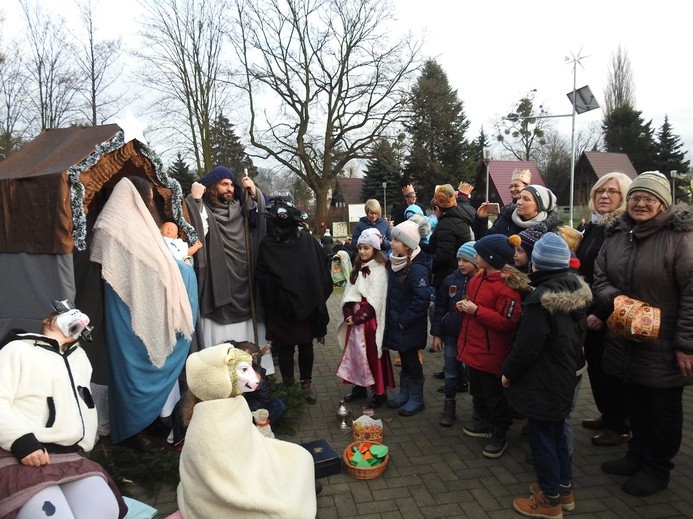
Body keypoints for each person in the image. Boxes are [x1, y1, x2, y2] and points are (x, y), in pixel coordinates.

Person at [593, 171, 693, 497]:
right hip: (626, 337)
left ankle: (657, 467)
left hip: (664, 344)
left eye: (649, 198)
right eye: (636, 196)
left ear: (662, 203)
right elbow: (600, 278)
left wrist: (685, 345)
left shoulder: (680, 239)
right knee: (635, 403)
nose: (641, 202)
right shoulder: (618, 234)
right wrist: (614, 298)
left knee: (662, 409)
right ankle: (636, 454)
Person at [91, 176, 197, 452]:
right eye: (149, 198)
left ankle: (148, 419)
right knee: (131, 367)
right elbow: (133, 268)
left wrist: (177, 269)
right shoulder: (115, 225)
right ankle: (131, 429)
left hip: (142, 304)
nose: (151, 204)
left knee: (149, 363)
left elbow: (155, 261)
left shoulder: (138, 225)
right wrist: (182, 270)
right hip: (126, 307)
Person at [0, 304, 127, 519]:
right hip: (25, 453)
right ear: (47, 322)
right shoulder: (17, 350)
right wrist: (22, 443)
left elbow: (84, 402)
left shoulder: (81, 358)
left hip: (71, 455)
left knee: (105, 509)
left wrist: (85, 442)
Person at [502, 233, 592, 519]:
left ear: (537, 263)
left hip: (543, 379)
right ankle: (563, 490)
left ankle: (549, 500)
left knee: (542, 439)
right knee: (557, 435)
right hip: (566, 375)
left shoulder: (541, 301)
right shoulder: (575, 290)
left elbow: (527, 347)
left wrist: (508, 373)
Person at [177, 344, 316, 518]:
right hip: (231, 486)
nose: (255, 377)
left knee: (301, 457)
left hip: (253, 461)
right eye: (243, 369)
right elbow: (220, 480)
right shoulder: (208, 427)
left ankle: (298, 489)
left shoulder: (236, 401)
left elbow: (249, 443)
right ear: (217, 378)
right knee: (286, 511)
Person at [184, 166, 274, 374]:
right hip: (218, 279)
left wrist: (255, 192)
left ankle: (256, 372)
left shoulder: (243, 207)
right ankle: (219, 374)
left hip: (246, 279)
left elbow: (265, 216)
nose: (230, 189)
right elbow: (195, 229)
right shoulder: (205, 209)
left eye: (232, 184)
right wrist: (194, 200)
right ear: (212, 186)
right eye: (224, 184)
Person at [574, 172, 633, 447]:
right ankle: (608, 415)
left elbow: (620, 277)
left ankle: (620, 424)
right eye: (600, 191)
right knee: (596, 366)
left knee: (609, 369)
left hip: (607, 311)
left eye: (613, 192)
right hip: (589, 307)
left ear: (624, 197)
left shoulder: (622, 229)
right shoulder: (596, 226)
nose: (604, 196)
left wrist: (600, 311)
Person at [457, 234, 529, 458]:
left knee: (494, 396)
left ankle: (499, 433)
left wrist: (476, 311)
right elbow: (472, 302)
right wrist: (464, 306)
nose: (475, 256)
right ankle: (485, 422)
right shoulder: (478, 278)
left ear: (490, 257)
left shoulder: (506, 287)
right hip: (474, 348)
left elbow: (508, 322)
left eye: (478, 253)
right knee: (477, 390)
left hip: (491, 352)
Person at [257, 199, 333, 403]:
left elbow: (320, 269)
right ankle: (290, 387)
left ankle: (306, 385)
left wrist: (312, 294)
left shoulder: (307, 242)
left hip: (306, 306)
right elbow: (262, 275)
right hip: (281, 308)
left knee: (306, 345)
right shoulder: (268, 245)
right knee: (286, 348)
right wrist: (276, 293)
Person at [336, 228, 395, 408]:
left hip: (369, 323)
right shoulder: (358, 268)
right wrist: (348, 314)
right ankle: (359, 387)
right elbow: (349, 294)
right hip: (354, 322)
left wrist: (358, 317)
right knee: (354, 355)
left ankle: (379, 392)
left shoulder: (378, 270)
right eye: (360, 247)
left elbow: (375, 300)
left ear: (375, 250)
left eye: (366, 248)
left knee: (372, 355)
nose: (362, 251)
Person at [384, 220, 432, 416]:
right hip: (399, 324)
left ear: (408, 245)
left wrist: (404, 320)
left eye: (396, 240)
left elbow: (422, 300)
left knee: (412, 361)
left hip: (409, 326)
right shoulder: (397, 263)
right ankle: (405, 393)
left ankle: (416, 398)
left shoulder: (417, 269)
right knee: (404, 359)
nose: (392, 243)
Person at [430, 241, 479, 427]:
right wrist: (436, 334)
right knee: (450, 372)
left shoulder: (480, 282)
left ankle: (478, 408)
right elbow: (440, 308)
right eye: (459, 259)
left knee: (473, 374)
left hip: (473, 337)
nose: (461, 264)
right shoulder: (450, 280)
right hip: (451, 335)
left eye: (466, 260)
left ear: (476, 261)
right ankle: (449, 406)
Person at [422, 184, 473, 289]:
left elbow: (443, 257)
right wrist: (420, 246)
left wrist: (422, 261)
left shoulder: (446, 224)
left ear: (437, 208)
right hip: (456, 272)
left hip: (447, 276)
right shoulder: (459, 218)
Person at [474, 184, 560, 239]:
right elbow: (484, 241)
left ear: (539, 206)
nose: (519, 202)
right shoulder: (506, 220)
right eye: (519, 198)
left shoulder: (547, 231)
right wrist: (481, 220)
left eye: (526, 199)